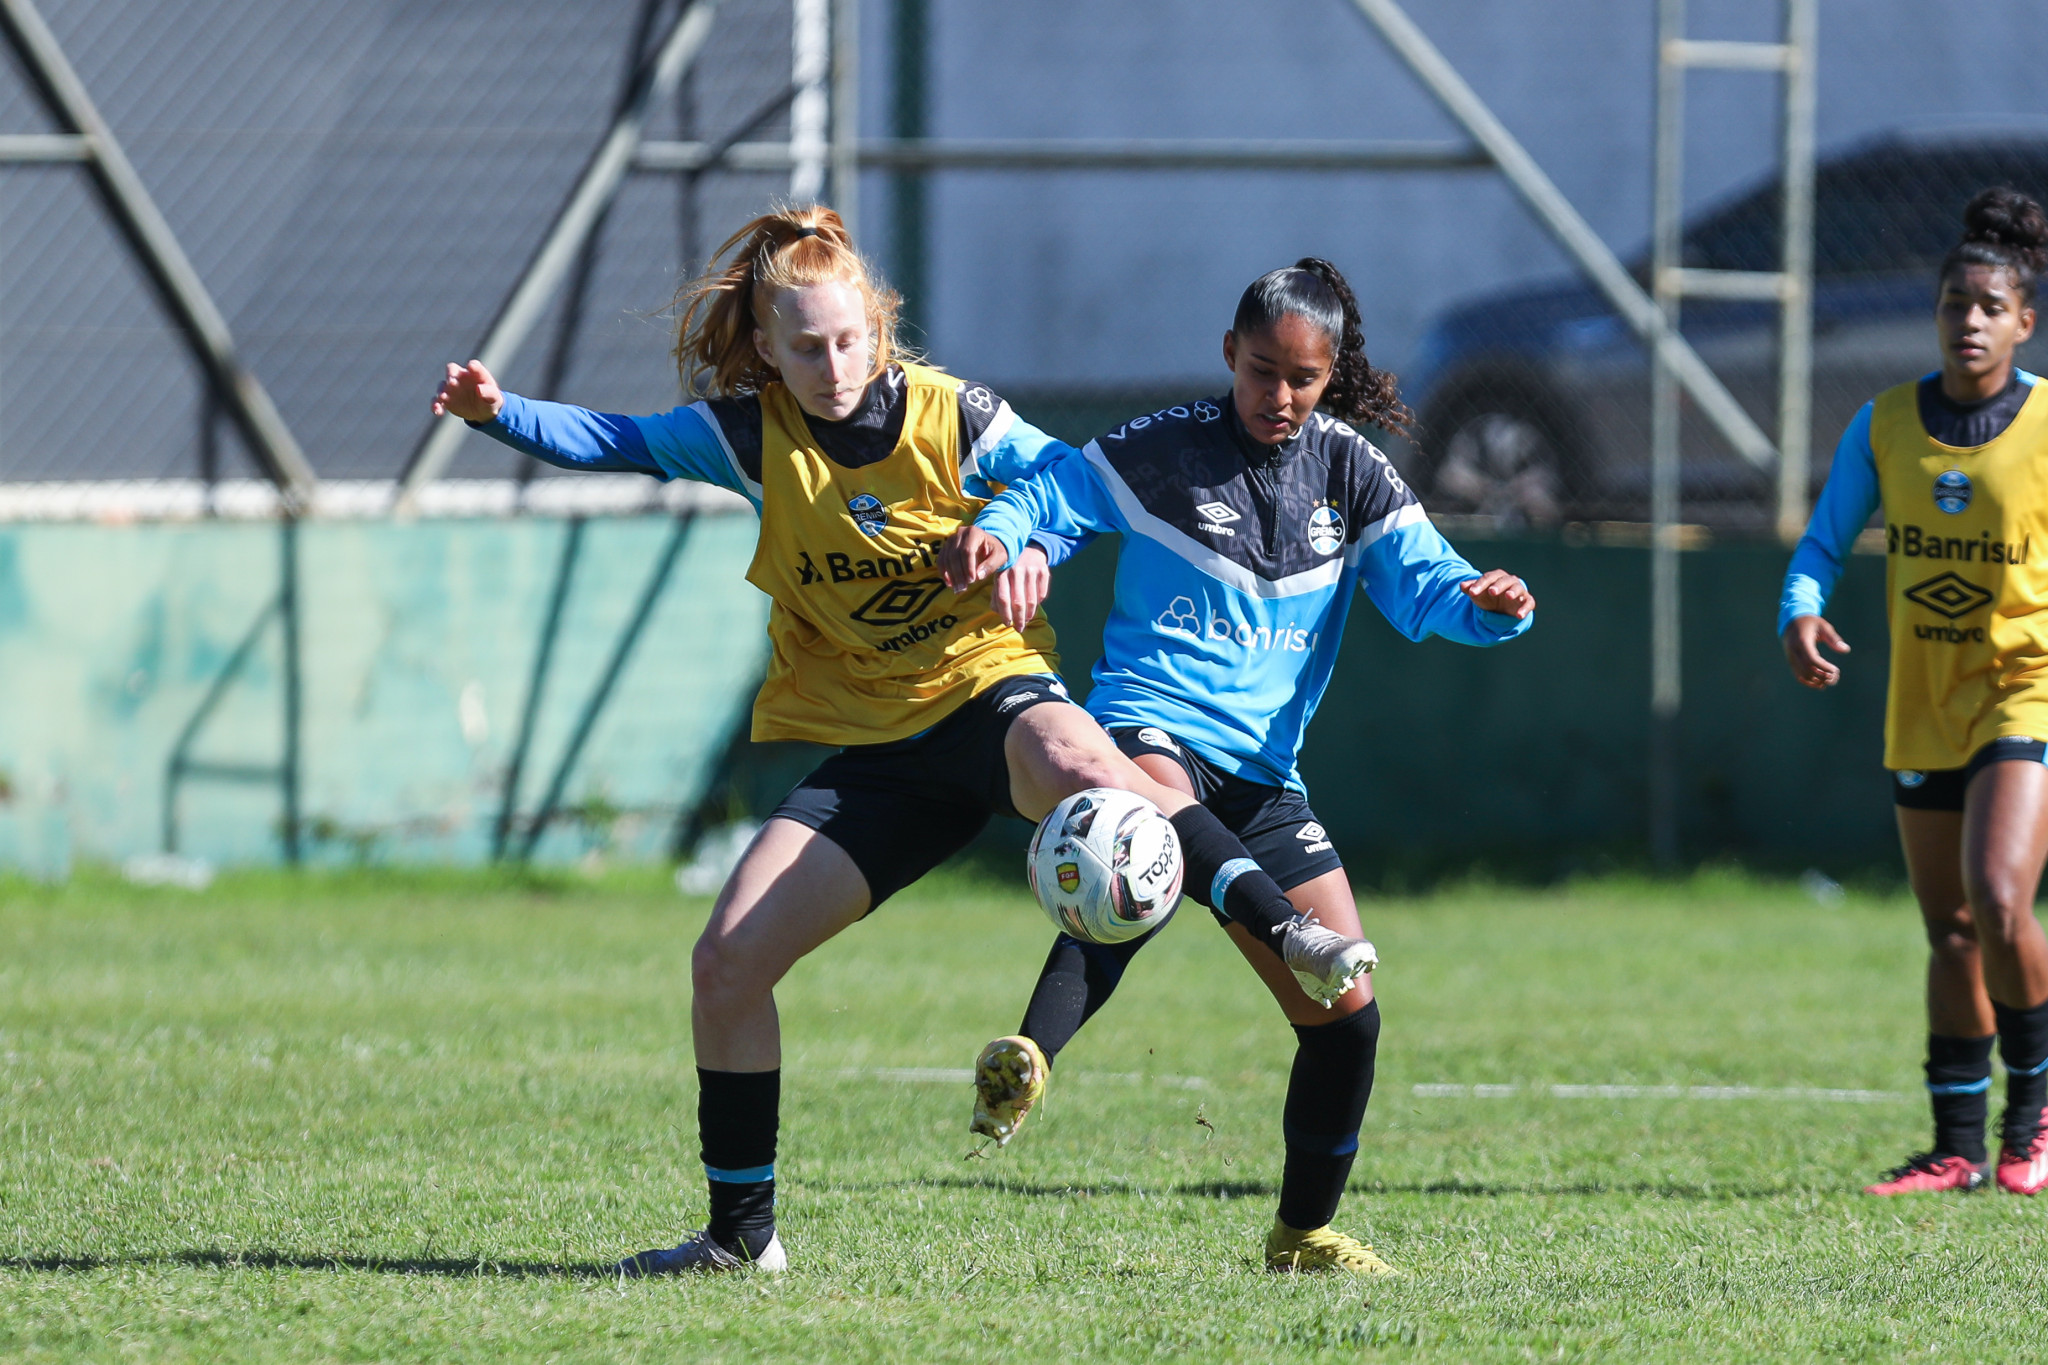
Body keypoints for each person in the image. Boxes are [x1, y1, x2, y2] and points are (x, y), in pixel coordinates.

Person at [430, 207, 1379, 1273]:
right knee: (726, 963)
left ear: (879, 329)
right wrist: (499, 412)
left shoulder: (952, 415)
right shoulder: (751, 436)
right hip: (876, 752)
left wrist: (1025, 542)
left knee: (1098, 775)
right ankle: (741, 1241)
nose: (830, 365)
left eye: (847, 341)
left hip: (989, 696)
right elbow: (619, 442)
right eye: (802, 347)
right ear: (766, 349)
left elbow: (1058, 478)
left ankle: (1286, 932)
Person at [938, 258, 1535, 1272]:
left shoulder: (1350, 471)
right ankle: (1037, 1052)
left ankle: (1300, 1234)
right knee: (1140, 851)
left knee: (1347, 1020)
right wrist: (999, 535)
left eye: (1302, 379)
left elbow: (1427, 586)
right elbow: (1050, 495)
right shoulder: (1163, 448)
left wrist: (1485, 606)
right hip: (1146, 730)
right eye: (1261, 372)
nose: (1279, 397)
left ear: (1330, 370)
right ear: (1229, 354)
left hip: (1263, 776)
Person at [1780, 186, 2048, 1196]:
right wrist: (1796, 614)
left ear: (2023, 321)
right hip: (1922, 700)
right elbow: (1817, 548)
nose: (1968, 321)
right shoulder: (1885, 423)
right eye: (1952, 303)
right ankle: (1954, 1148)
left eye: (1989, 307)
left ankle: (2034, 1112)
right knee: (1948, 933)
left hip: (2024, 692)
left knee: (1997, 893)